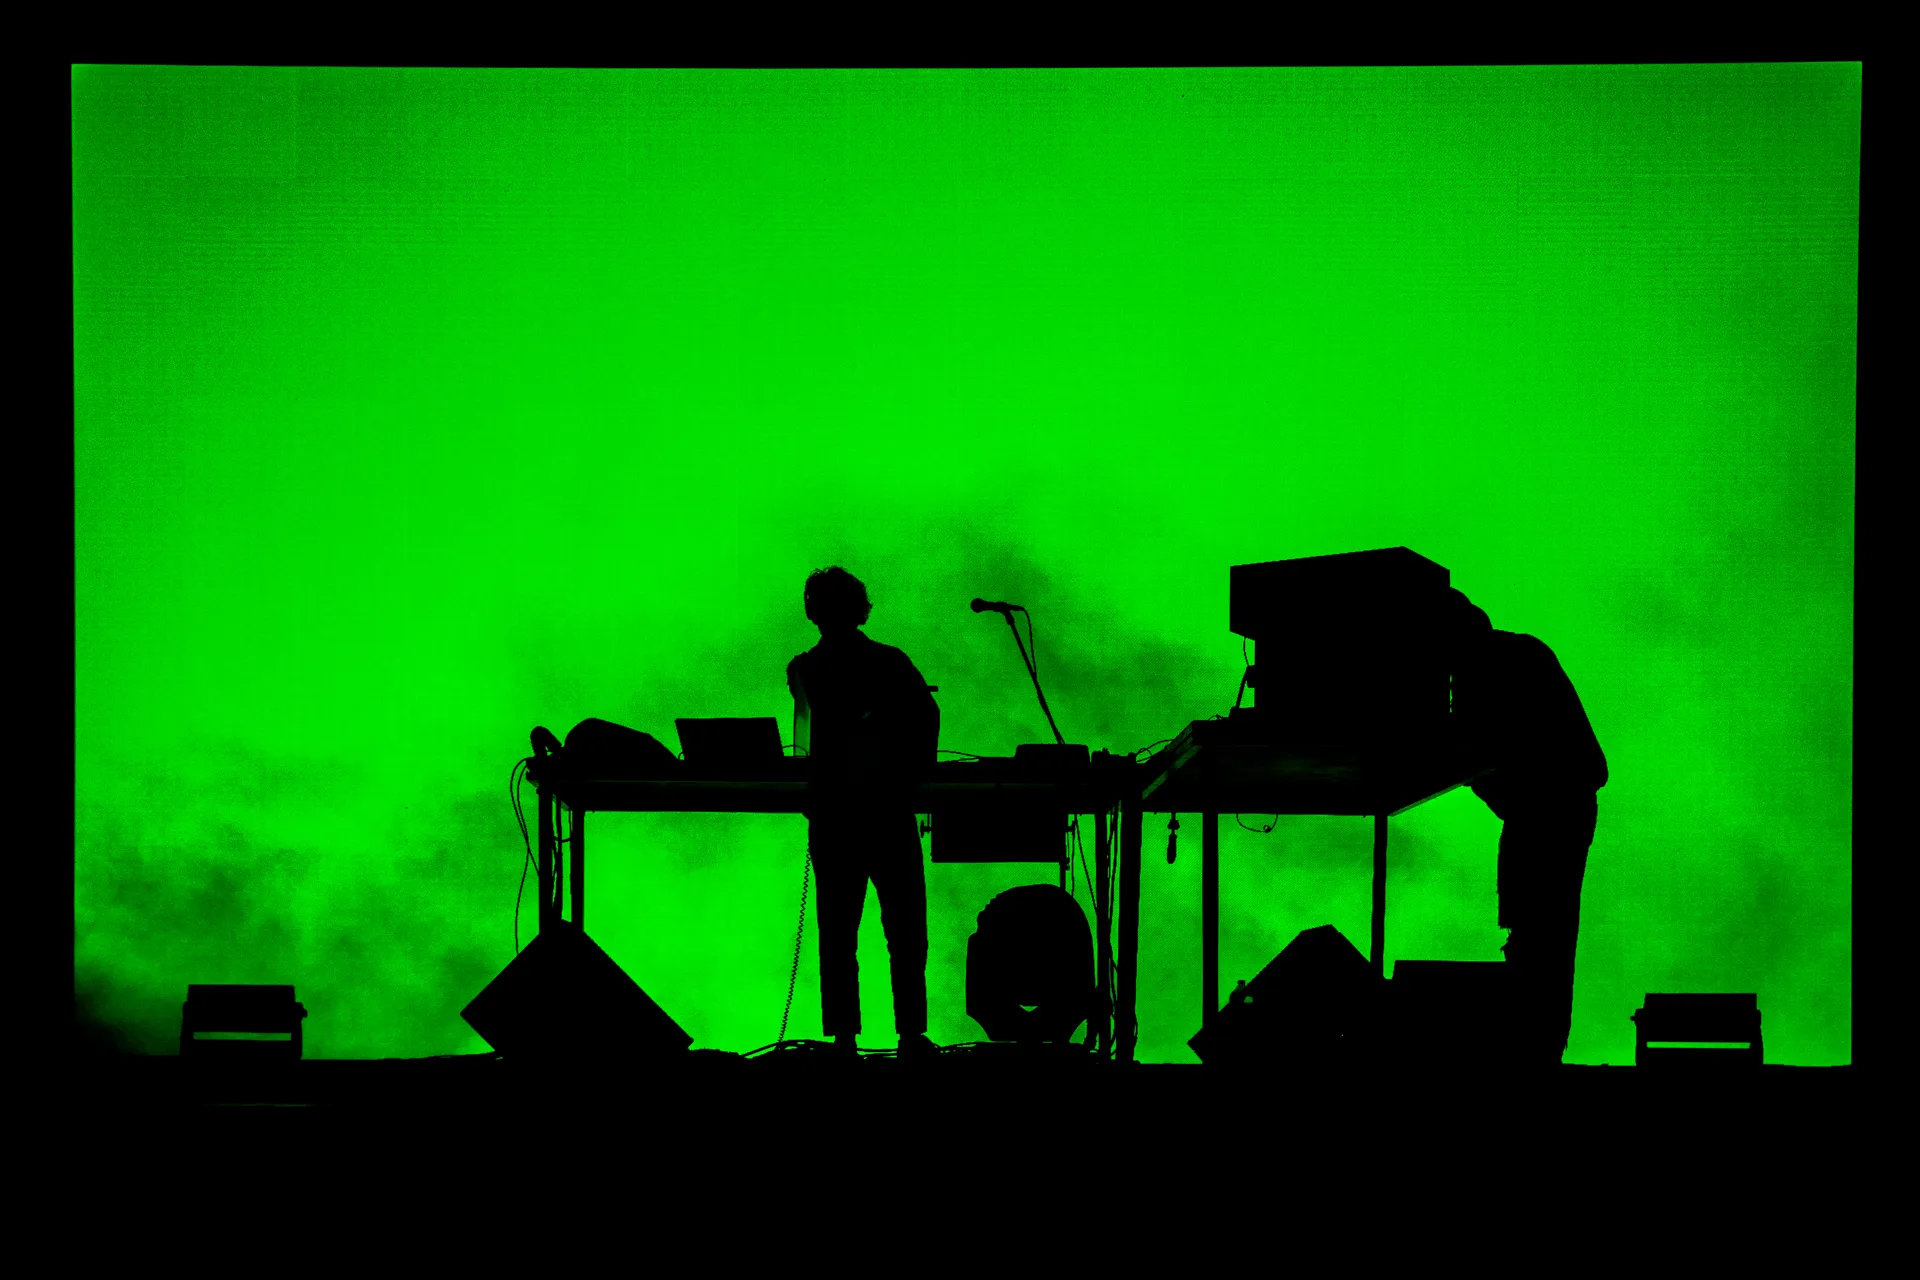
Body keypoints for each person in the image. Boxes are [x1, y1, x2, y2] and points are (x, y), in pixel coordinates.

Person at [1444, 588, 1608, 1067]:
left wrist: (1512, 796)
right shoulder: (1506, 660)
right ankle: (1536, 1048)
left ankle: (1536, 1052)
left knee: (1542, 937)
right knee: (1541, 936)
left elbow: (1479, 759)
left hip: (1554, 812)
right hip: (1546, 812)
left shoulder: (1501, 667)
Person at [787, 567, 941, 1059]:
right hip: (886, 809)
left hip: (836, 813)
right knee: (904, 931)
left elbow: (810, 734)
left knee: (839, 930)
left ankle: (845, 1038)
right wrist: (914, 777)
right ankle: (911, 1035)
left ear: (815, 611)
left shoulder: (804, 668)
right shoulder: (888, 662)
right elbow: (926, 719)